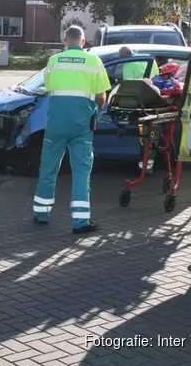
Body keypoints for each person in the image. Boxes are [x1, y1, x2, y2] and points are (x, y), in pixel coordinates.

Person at [32, 25, 111, 234]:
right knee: (81, 172)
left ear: (64, 41)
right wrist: (97, 111)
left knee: (48, 168)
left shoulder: (53, 61)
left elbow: (50, 91)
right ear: (83, 42)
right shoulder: (94, 61)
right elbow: (102, 97)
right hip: (81, 126)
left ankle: (41, 213)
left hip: (55, 125)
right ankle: (80, 222)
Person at [117, 46, 161, 174]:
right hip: (154, 100)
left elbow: (128, 85)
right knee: (152, 131)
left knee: (144, 132)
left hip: (139, 103)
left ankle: (146, 164)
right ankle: (149, 161)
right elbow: (156, 78)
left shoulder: (128, 65)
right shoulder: (149, 58)